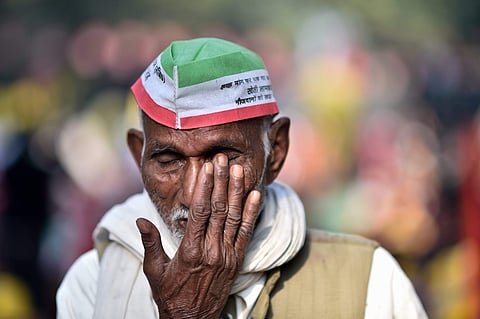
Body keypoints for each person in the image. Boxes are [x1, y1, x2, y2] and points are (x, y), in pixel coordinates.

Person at [56, 37, 428, 318]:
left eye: (221, 158)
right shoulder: (93, 283)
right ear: (138, 156)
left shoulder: (367, 283)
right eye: (168, 160)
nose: (193, 194)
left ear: (276, 152)